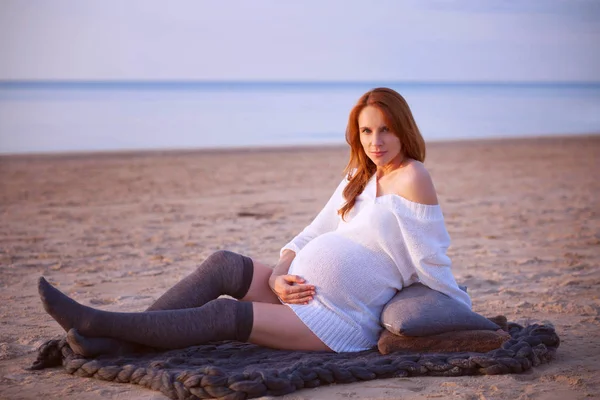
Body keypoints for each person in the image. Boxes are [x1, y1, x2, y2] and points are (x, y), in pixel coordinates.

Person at [38, 87, 471, 356]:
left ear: (403, 130)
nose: (375, 142)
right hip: (297, 292)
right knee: (223, 263)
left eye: (385, 131)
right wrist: (282, 274)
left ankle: (99, 327)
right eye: (366, 132)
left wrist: (460, 309)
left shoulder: (413, 177)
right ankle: (115, 342)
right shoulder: (358, 176)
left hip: (339, 319)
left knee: (226, 315)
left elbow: (430, 257)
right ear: (355, 135)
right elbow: (313, 231)